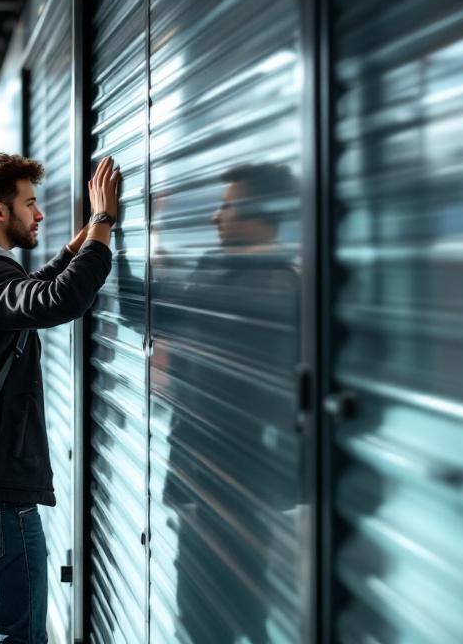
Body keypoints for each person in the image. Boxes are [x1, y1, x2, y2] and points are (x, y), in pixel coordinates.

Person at [0, 152, 121, 644]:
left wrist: (77, 248)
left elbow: (25, 295)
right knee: (24, 635)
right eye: (30, 203)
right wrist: (102, 222)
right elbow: (56, 302)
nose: (40, 214)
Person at [160, 162, 300, 644]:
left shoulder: (279, 285)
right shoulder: (217, 268)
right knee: (210, 616)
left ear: (264, 212)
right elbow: (163, 314)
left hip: (242, 490)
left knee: (225, 618)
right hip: (202, 481)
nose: (216, 218)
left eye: (229, 206)